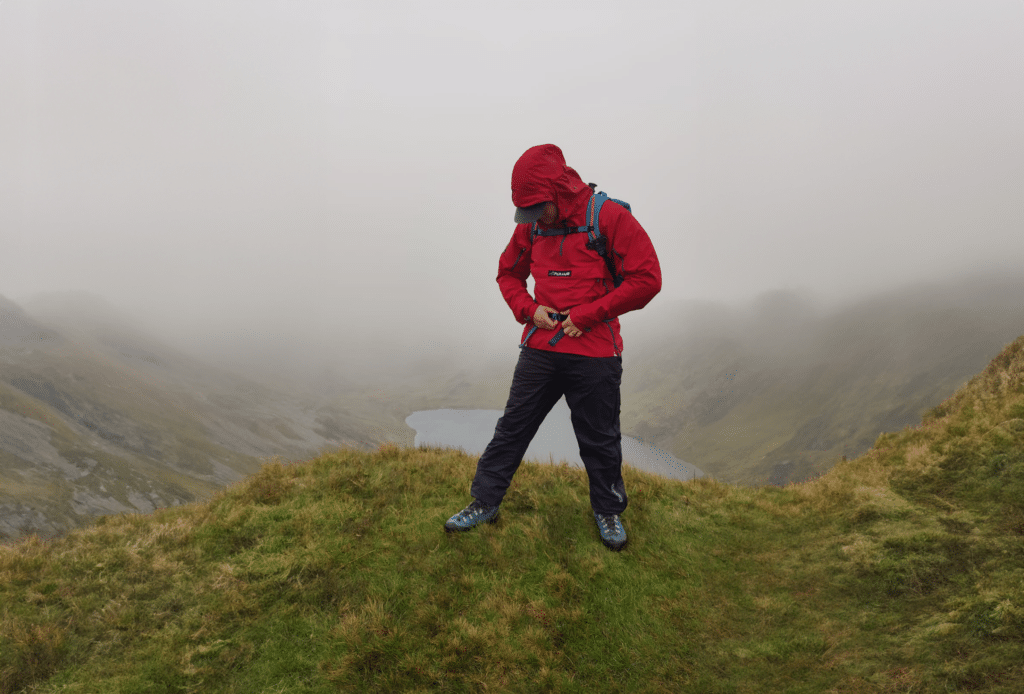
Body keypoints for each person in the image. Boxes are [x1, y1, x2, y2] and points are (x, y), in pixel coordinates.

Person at [444, 144, 662, 551]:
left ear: (558, 191)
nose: (531, 219)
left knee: (600, 437)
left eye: (537, 208)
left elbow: (647, 279)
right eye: (525, 211)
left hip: (595, 350)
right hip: (541, 346)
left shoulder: (608, 217)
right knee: (513, 427)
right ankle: (484, 502)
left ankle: (608, 510)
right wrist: (529, 310)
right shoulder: (531, 225)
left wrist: (588, 315)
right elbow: (507, 273)